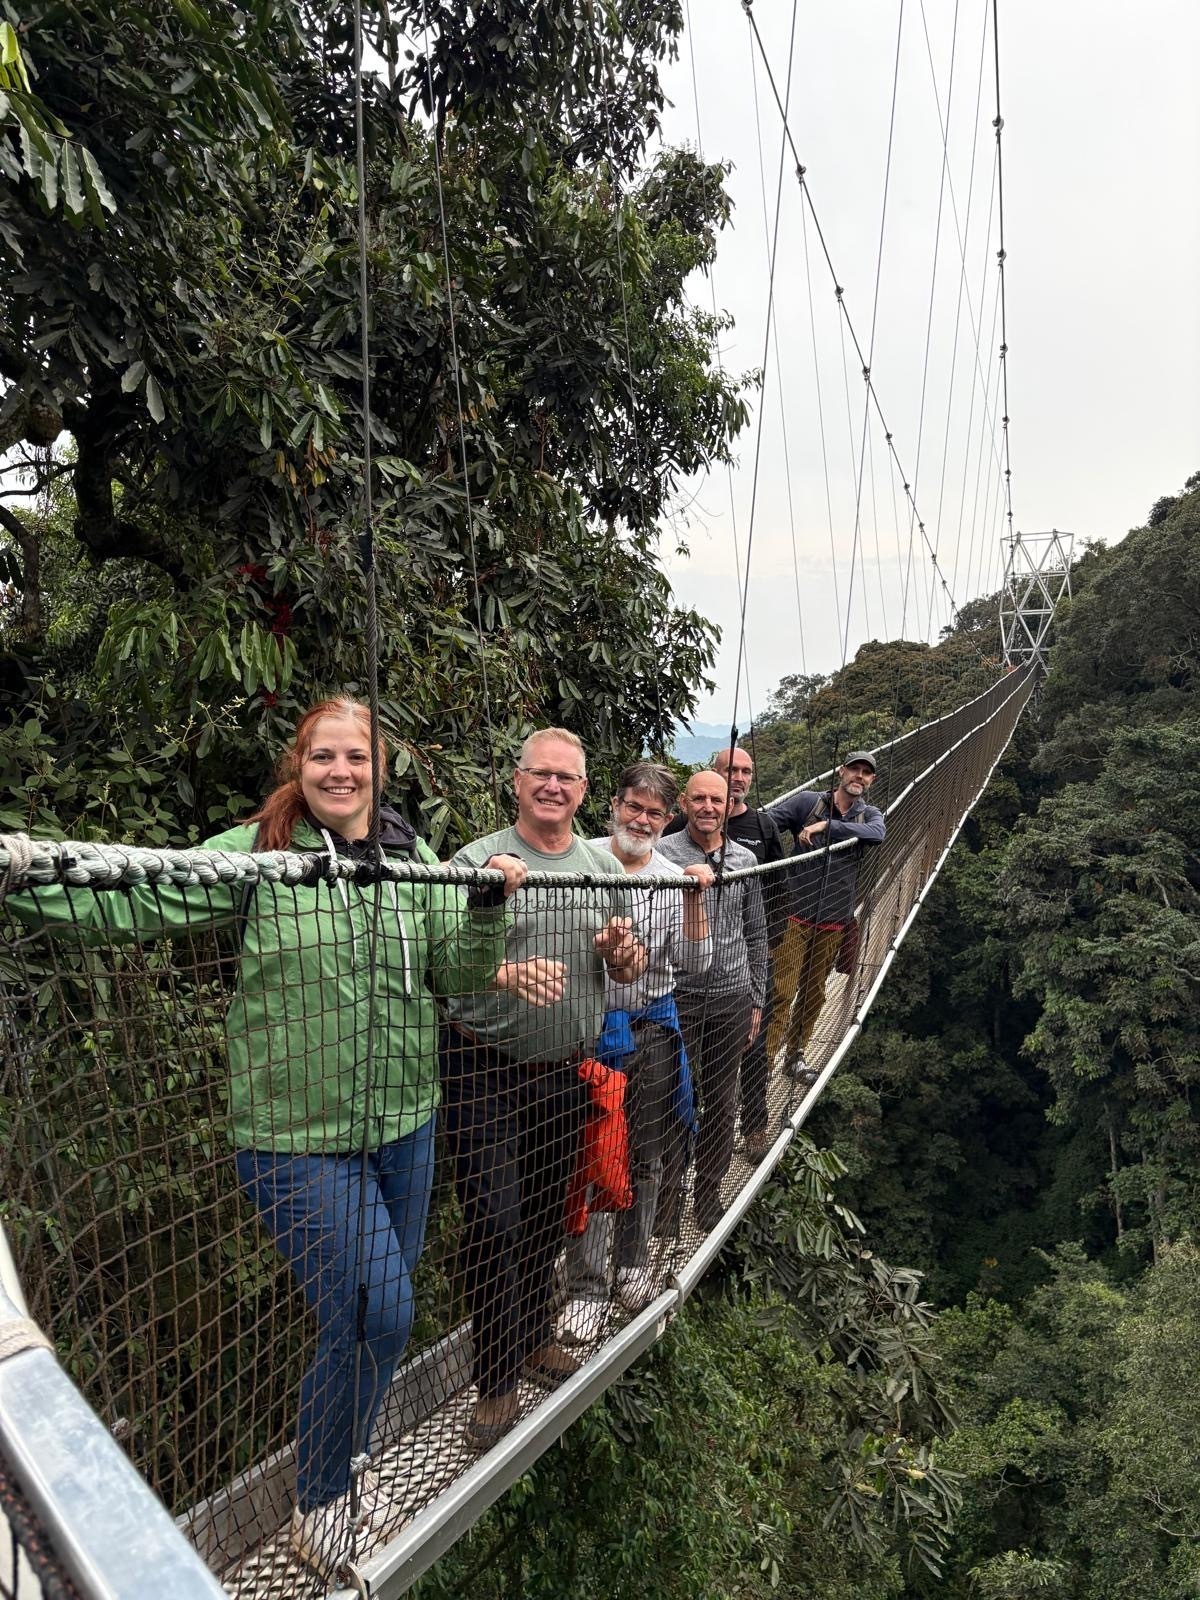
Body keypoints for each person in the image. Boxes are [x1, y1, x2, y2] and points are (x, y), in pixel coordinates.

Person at [7, 697, 525, 1581]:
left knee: (375, 1332)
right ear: (300, 766)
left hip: (408, 1125)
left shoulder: (415, 859)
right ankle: (322, 1499)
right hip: (294, 1135)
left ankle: (345, 1460)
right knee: (377, 1310)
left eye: (355, 756)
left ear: (378, 767)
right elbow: (135, 894)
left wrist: (481, 909)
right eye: (322, 756)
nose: (339, 771)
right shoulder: (257, 856)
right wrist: (23, 871)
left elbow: (461, 977)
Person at [441, 728, 646, 1451]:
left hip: (565, 1074)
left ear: (585, 791)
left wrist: (623, 956)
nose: (554, 786)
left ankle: (530, 1339)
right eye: (541, 774)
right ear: (518, 782)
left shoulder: (602, 867)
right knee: (494, 1224)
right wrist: (501, 975)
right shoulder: (475, 862)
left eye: (568, 777)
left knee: (544, 1222)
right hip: (483, 1069)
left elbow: (628, 971)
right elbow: (443, 968)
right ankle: (495, 1384)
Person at [558, 762, 714, 1342]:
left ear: (666, 819)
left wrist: (697, 898)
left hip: (649, 1031)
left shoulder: (673, 877)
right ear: (614, 806)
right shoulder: (580, 860)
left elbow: (695, 965)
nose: (641, 820)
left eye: (653, 813)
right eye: (633, 807)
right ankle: (586, 1287)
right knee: (592, 1161)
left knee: (645, 1155)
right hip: (585, 1034)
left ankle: (632, 1264)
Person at [657, 770, 768, 1234]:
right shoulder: (662, 855)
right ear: (684, 803)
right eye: (698, 798)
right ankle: (662, 1210)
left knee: (723, 1102)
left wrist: (757, 998)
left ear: (728, 806)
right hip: (675, 994)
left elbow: (756, 931)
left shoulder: (742, 858)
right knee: (669, 1102)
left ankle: (707, 1197)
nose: (707, 807)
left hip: (731, 997)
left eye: (716, 800)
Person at [765, 750, 885, 1082]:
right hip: (795, 915)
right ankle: (766, 1060)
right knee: (782, 990)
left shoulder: (869, 815)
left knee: (814, 991)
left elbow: (878, 835)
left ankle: (796, 1056)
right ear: (841, 771)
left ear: (871, 780)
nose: (859, 777)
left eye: (866, 773)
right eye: (854, 770)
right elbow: (768, 822)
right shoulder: (807, 802)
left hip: (834, 920)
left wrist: (826, 826)